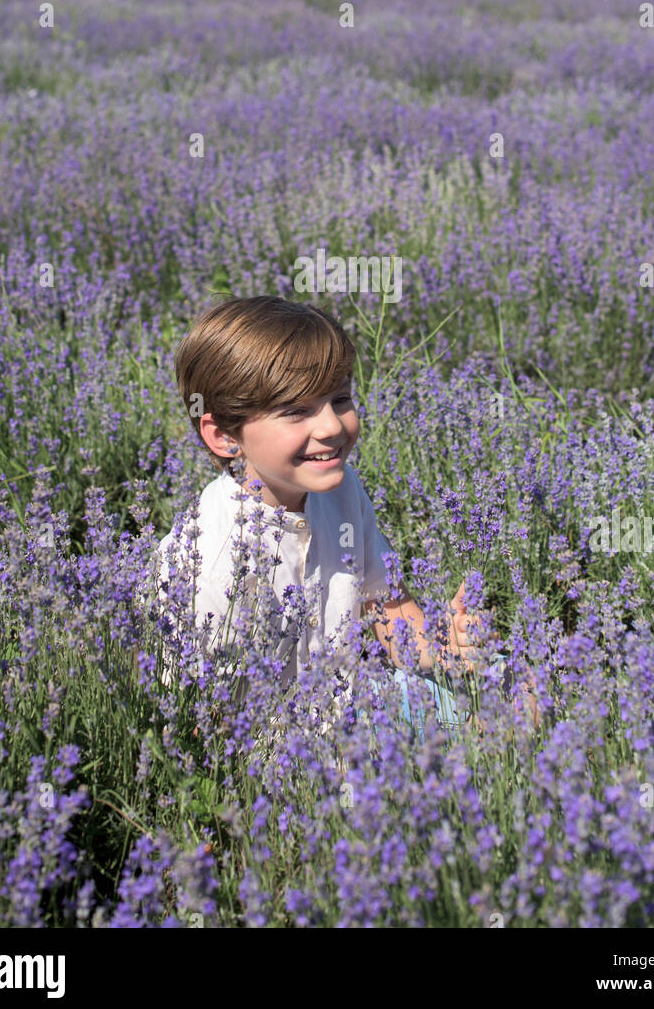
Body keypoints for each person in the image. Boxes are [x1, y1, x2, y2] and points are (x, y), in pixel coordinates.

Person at [154, 295, 523, 743]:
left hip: (353, 704)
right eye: (295, 410)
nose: (330, 426)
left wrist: (446, 644)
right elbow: (200, 720)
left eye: (340, 399)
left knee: (516, 684)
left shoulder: (342, 490)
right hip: (275, 748)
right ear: (225, 436)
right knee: (465, 740)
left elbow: (389, 611)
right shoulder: (205, 561)